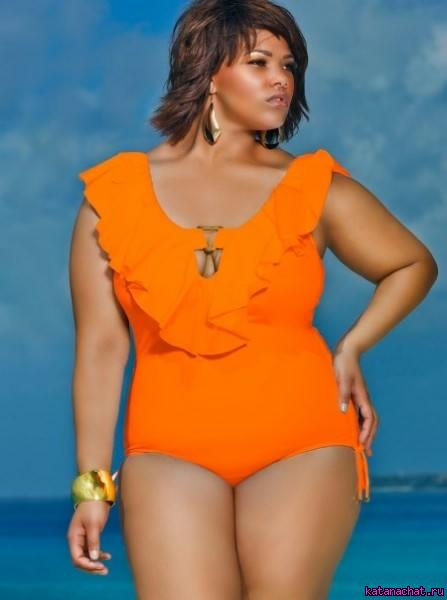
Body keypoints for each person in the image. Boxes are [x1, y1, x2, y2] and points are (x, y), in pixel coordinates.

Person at [66, 0, 438, 598]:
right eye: (260, 62)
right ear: (208, 71)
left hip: (304, 443)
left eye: (289, 66)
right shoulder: (112, 199)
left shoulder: (313, 188)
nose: (281, 79)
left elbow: (412, 264)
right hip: (166, 452)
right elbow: (101, 349)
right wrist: (91, 488)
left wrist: (352, 346)